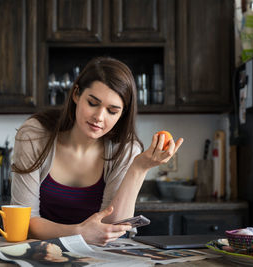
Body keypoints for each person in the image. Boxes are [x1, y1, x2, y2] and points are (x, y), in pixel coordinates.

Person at [11, 57, 183, 245]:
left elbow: (113, 229)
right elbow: (23, 222)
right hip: (40, 254)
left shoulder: (125, 149)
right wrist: (79, 233)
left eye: (112, 111)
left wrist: (139, 168)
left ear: (122, 114)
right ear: (76, 94)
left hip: (99, 258)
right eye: (93, 103)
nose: (99, 117)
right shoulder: (35, 135)